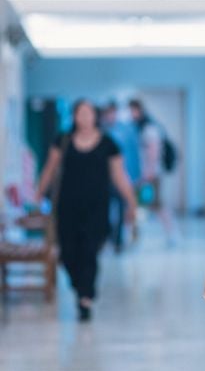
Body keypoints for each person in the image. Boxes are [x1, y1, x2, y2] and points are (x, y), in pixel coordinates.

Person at [35, 99, 138, 321]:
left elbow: (119, 175)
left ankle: (86, 298)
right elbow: (49, 170)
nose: (84, 117)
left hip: (97, 209)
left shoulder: (108, 143)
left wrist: (131, 201)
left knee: (90, 251)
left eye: (88, 113)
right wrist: (37, 195)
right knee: (69, 254)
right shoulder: (62, 140)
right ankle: (79, 287)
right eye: (80, 113)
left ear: (95, 116)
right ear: (74, 116)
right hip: (67, 208)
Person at [101, 101, 141, 252]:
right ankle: (107, 237)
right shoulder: (102, 131)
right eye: (108, 113)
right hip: (105, 178)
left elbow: (134, 155)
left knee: (122, 209)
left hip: (123, 177)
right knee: (106, 209)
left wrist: (135, 177)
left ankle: (118, 241)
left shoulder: (127, 131)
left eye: (112, 112)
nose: (110, 116)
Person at [128, 99, 163, 211]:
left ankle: (173, 229)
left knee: (156, 205)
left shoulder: (149, 128)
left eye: (133, 111)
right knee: (138, 204)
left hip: (150, 174)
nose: (131, 114)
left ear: (140, 111)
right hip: (141, 173)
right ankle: (135, 228)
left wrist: (149, 172)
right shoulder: (138, 128)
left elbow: (154, 151)